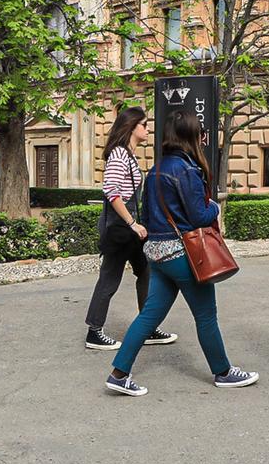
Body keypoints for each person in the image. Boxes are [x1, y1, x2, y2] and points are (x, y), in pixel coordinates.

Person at [104, 109, 257, 396]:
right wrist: (216, 207)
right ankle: (223, 372)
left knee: (149, 316)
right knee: (206, 316)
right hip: (183, 254)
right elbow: (199, 215)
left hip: (158, 254)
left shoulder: (156, 170)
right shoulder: (187, 170)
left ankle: (119, 373)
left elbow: (148, 214)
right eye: (201, 133)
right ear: (192, 137)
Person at [84, 105, 176, 350]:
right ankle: (94, 332)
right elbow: (111, 191)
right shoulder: (119, 155)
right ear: (132, 127)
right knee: (109, 278)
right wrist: (132, 223)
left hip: (131, 229)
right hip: (121, 228)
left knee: (146, 272)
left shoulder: (129, 155)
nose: (148, 129)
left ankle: (147, 328)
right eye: (144, 125)